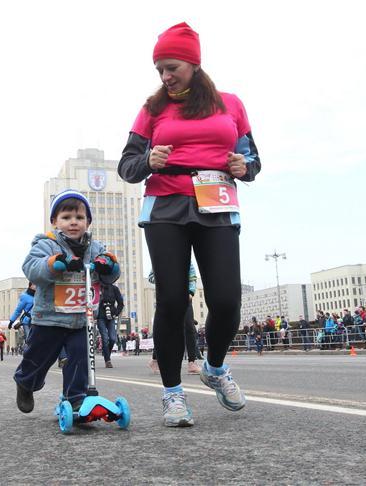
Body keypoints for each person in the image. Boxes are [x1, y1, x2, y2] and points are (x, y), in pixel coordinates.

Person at [117, 22, 261, 427]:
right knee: (173, 300)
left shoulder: (231, 104)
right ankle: (173, 395)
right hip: (165, 205)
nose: (165, 76)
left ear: (194, 64)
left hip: (216, 202)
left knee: (227, 302)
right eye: (159, 69)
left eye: (171, 67)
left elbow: (254, 162)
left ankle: (214, 368)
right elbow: (127, 166)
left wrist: (243, 166)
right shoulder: (152, 109)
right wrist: (148, 161)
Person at [14, 190, 121, 414]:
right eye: (66, 217)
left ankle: (76, 399)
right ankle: (25, 382)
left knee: (80, 359)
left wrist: (108, 265)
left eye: (79, 218)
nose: (73, 222)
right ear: (55, 221)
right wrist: (55, 264)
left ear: (88, 222)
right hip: (49, 317)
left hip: (82, 318)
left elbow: (112, 274)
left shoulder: (95, 248)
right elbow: (32, 268)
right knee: (38, 358)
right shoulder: (47, 245)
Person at [97, 276, 124, 368]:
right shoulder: (97, 288)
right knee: (105, 338)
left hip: (111, 317)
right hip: (100, 316)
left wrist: (116, 313)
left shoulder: (114, 289)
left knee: (112, 338)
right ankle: (107, 360)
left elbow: (121, 303)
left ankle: (106, 353)